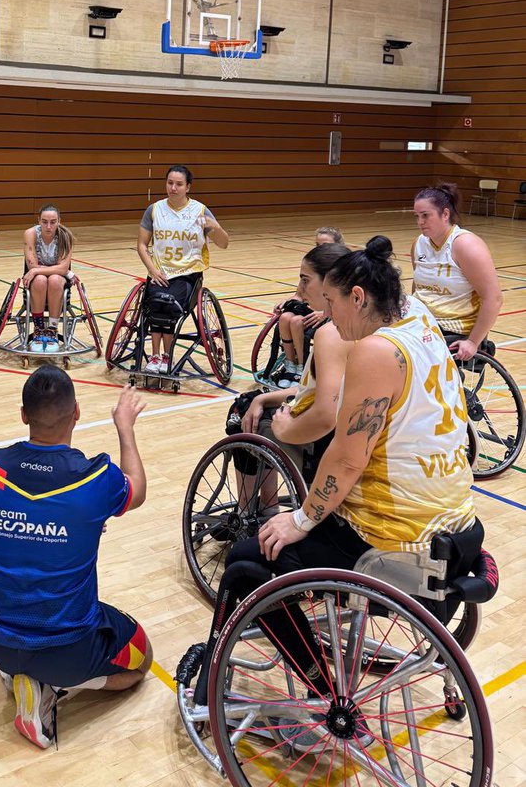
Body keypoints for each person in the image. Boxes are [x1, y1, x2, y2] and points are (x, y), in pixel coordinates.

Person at [214, 237, 477, 749]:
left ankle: (320, 694)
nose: (328, 316)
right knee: (285, 539)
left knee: (247, 563)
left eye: (332, 303)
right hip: (457, 525)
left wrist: (301, 519)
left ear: (358, 297)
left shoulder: (377, 350)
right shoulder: (420, 319)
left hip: (394, 540)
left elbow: (348, 457)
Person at [0, 367, 151, 750]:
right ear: (77, 412)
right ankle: (51, 685)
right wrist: (125, 427)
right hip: (66, 649)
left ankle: (17, 671)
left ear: (23, 414)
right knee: (141, 658)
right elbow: (136, 491)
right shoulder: (96, 479)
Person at [237, 239, 351, 476]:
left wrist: (285, 430)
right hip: (346, 433)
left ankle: (261, 499)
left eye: (305, 280)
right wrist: (264, 398)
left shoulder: (332, 334)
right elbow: (317, 391)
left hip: (321, 444)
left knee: (240, 413)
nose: (300, 288)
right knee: (256, 401)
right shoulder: (360, 322)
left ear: (330, 281)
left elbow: (325, 415)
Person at [136, 165, 229, 374]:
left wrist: (215, 227)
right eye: (170, 183)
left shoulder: (199, 211)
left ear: (188, 187)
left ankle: (166, 356)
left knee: (167, 304)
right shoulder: (154, 210)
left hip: (188, 274)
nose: (173, 188)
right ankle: (155, 356)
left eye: (179, 184)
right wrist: (152, 270)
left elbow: (224, 243)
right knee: (154, 304)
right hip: (160, 272)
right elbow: (142, 245)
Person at [411, 182, 503, 362]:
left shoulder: (465, 245)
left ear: (445, 214)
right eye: (417, 216)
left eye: (425, 215)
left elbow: (494, 299)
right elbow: (419, 287)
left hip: (452, 328)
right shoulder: (419, 243)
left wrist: (473, 342)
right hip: (422, 322)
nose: (420, 222)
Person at [273, 225, 345, 388]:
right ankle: (291, 364)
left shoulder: (338, 273)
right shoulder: (312, 266)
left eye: (325, 245)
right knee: (285, 317)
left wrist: (325, 312)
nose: (320, 248)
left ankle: (302, 366)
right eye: (317, 245)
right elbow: (299, 294)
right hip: (312, 309)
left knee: (296, 322)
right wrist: (286, 301)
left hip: (324, 315)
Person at [24, 204, 75, 354]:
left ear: (59, 221)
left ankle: (52, 329)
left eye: (53, 222)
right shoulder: (30, 234)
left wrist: (36, 270)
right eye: (44, 221)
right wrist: (59, 270)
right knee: (40, 280)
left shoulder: (65, 236)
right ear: (38, 220)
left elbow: (62, 269)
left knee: (55, 279)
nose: (48, 226)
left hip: (56, 279)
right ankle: (39, 329)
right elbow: (31, 265)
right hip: (37, 280)